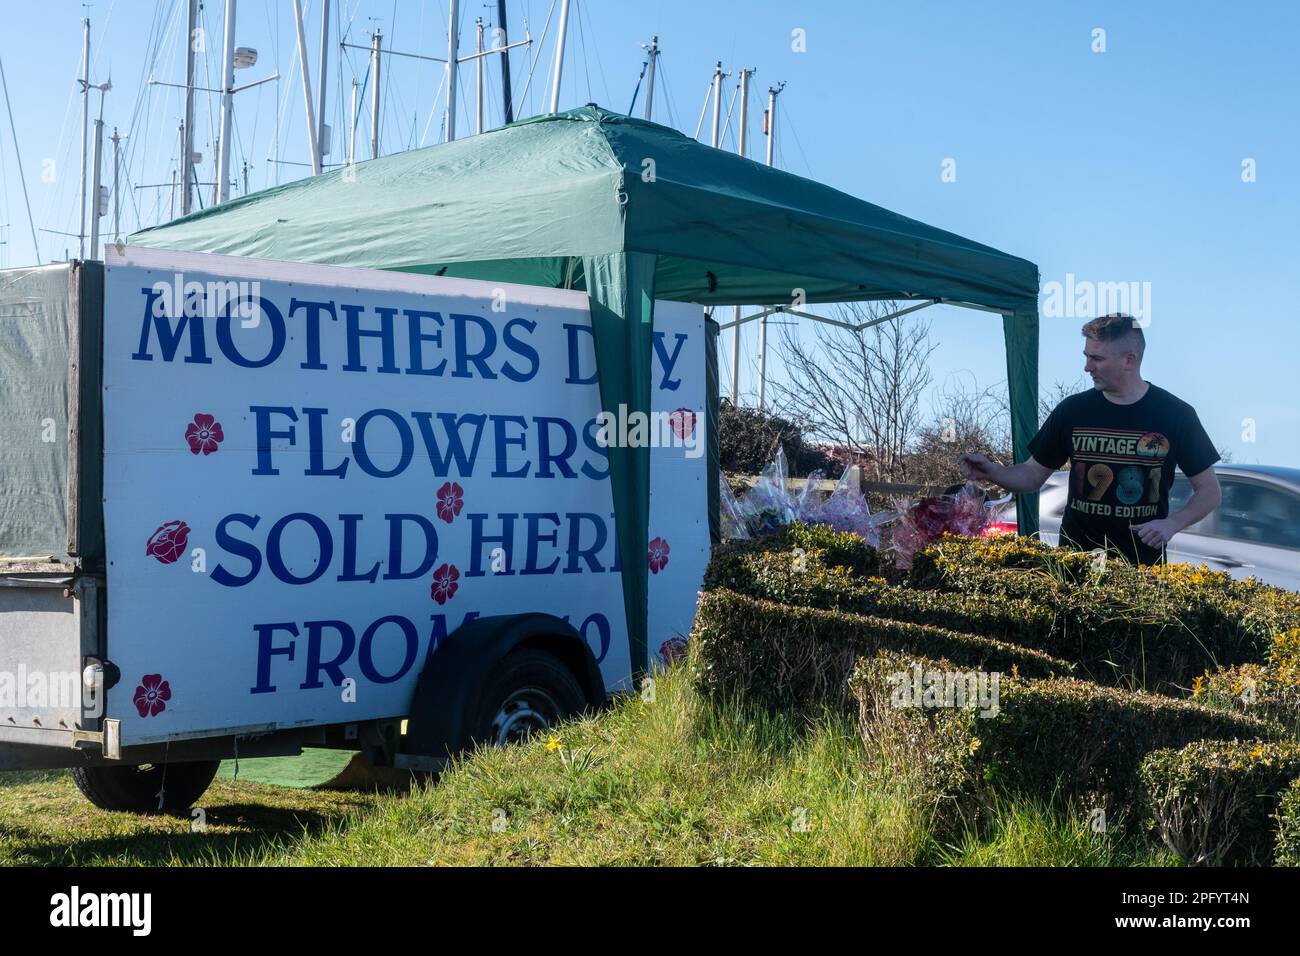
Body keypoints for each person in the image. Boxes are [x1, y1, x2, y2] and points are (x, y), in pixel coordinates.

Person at [959, 313, 1222, 565]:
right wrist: (992, 471)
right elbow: (1031, 476)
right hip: (1076, 563)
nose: (1087, 367)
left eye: (1097, 358)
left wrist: (1171, 524)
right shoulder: (1072, 410)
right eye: (1086, 356)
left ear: (1129, 360)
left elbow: (1210, 492)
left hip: (1142, 569)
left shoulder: (1176, 415)